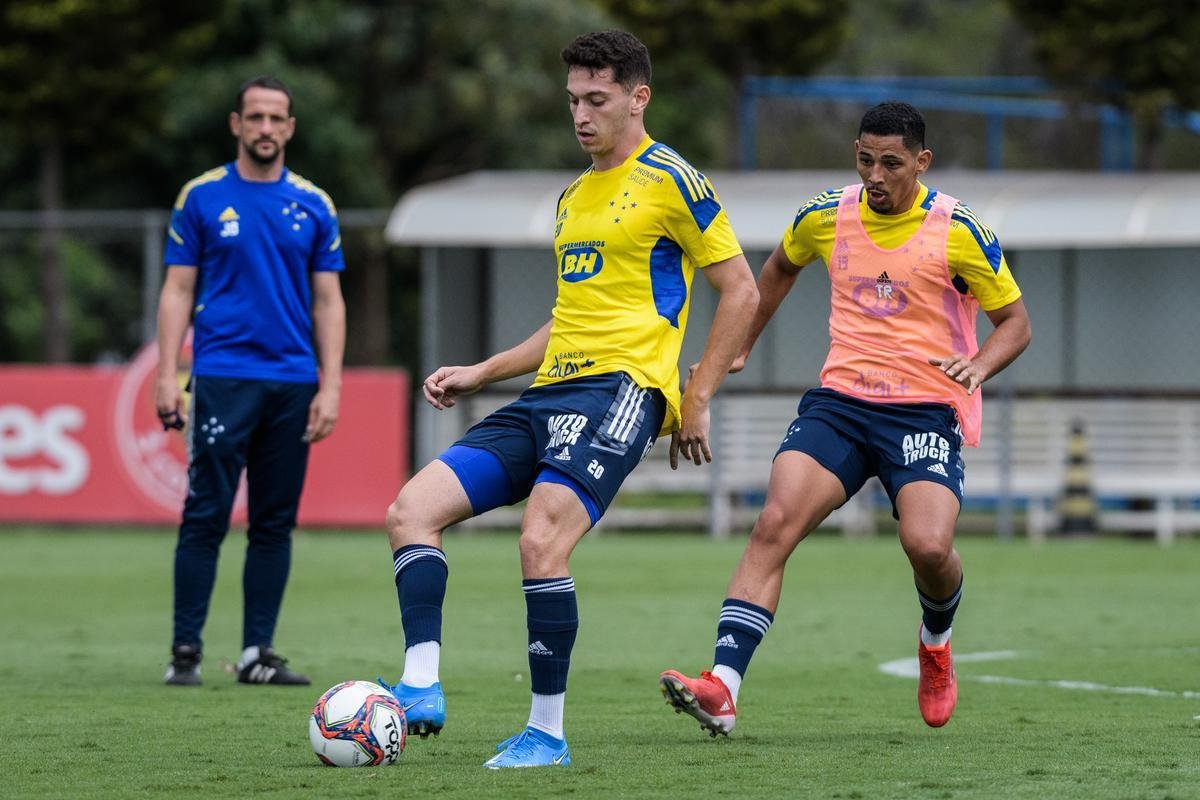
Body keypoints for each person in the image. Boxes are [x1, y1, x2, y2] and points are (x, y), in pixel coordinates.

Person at [377, 29, 758, 768]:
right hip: (550, 393)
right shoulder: (573, 198)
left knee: (540, 540)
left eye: (596, 100)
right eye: (572, 101)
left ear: (637, 98)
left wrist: (697, 395)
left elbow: (739, 289)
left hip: (625, 389)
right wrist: (481, 372)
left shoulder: (673, 178)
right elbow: (564, 321)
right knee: (410, 511)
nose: (580, 116)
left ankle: (546, 732)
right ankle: (420, 683)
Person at [659, 101, 1032, 734]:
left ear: (922, 161)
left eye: (891, 163)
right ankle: (721, 686)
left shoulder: (958, 228)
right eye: (865, 160)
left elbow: (1016, 324)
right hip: (841, 403)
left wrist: (978, 366)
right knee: (774, 522)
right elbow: (776, 269)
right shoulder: (823, 215)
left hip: (922, 409)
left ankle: (935, 640)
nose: (875, 175)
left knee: (928, 546)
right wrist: (742, 342)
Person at [156, 76, 346, 687]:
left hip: (292, 381)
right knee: (205, 513)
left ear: (290, 128)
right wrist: (167, 374)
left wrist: (331, 384)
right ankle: (185, 650)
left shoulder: (314, 204)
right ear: (237, 124)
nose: (266, 128)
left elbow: (328, 302)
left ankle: (255, 654)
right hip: (222, 376)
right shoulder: (202, 197)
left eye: (277, 119)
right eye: (255, 117)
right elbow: (178, 289)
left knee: (273, 521)